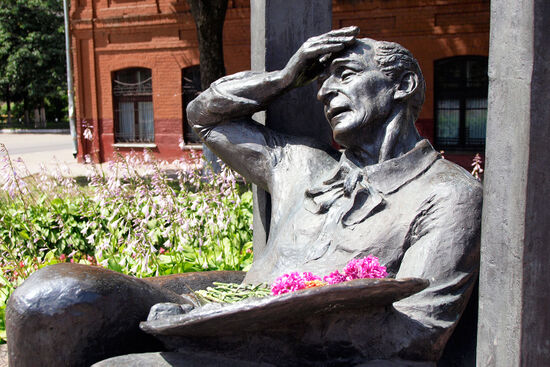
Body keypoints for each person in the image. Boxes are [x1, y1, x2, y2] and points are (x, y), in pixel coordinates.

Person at [186, 26, 482, 363]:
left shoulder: (447, 194)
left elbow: (414, 334)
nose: (324, 92)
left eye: (345, 74)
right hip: (215, 337)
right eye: (321, 83)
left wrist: (266, 331)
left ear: (403, 85)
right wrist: (284, 78)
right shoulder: (301, 165)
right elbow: (205, 117)